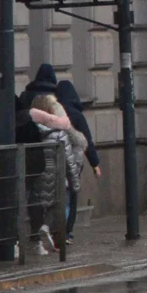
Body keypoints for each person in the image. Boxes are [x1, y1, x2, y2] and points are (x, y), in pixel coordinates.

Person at [16, 94, 83, 255]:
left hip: (32, 173)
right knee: (58, 205)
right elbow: (69, 160)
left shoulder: (28, 128)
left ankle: (33, 241)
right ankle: (48, 230)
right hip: (55, 175)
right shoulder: (58, 132)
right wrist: (75, 182)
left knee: (33, 206)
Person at [56, 80, 100, 242]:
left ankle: (55, 229)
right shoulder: (76, 114)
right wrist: (95, 163)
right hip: (74, 162)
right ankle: (66, 231)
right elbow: (87, 140)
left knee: (57, 196)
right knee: (71, 197)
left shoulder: (55, 113)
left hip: (55, 160)